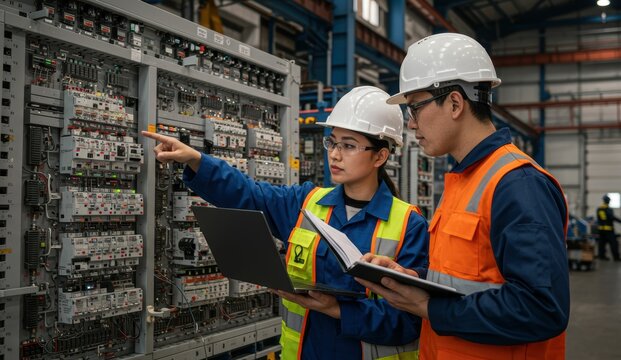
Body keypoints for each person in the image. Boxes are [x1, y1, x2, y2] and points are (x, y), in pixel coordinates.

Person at [142, 86, 429, 359]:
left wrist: (338, 309)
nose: (335, 154)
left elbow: (409, 321)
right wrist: (197, 160)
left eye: (349, 145)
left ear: (380, 155)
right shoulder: (306, 203)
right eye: (332, 142)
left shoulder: (408, 224)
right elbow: (250, 194)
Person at [357, 33, 569, 360]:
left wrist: (429, 307)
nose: (411, 124)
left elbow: (541, 308)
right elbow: (469, 278)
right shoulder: (463, 180)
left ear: (455, 103)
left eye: (415, 108)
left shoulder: (518, 184)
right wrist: (415, 280)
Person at [596, 194, 621, 261]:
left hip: (601, 230)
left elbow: (598, 219)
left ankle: (602, 256)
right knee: (614, 244)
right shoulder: (608, 209)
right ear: (608, 201)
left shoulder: (599, 208)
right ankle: (616, 257)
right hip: (608, 230)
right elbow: (612, 217)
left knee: (602, 244)